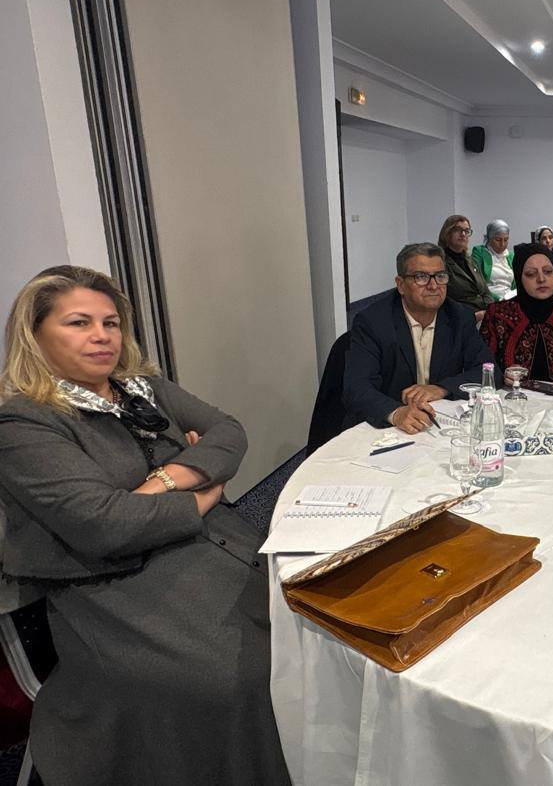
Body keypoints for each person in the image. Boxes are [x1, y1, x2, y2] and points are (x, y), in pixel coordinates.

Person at [0, 266, 290, 785]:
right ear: (34, 334)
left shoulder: (141, 387)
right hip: (115, 583)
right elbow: (104, 527)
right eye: (79, 323)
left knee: (317, 615)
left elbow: (229, 432)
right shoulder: (23, 422)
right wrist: (202, 492)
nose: (101, 336)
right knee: (240, 674)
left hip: (214, 544)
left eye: (111, 323)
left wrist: (164, 481)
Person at [343, 242, 494, 434]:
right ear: (401, 285)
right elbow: (356, 387)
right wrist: (396, 413)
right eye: (421, 277)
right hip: (387, 429)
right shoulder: (373, 322)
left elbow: (488, 371)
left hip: (440, 422)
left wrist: (441, 388)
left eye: (440, 276)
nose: (433, 286)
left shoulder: (460, 316)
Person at [480, 245, 553, 389]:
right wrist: (501, 376)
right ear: (519, 278)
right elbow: (481, 364)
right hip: (508, 397)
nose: (541, 279)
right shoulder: (498, 315)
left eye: (548, 272)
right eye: (531, 274)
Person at [439, 214, 493, 317]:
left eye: (467, 231)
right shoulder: (440, 263)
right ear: (447, 233)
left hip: (484, 314)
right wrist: (472, 316)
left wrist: (490, 309)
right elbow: (445, 300)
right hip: (460, 318)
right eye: (458, 230)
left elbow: (486, 292)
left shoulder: (471, 260)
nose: (463, 234)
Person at [471, 219, 514, 300]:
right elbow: (478, 282)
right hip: (489, 299)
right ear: (489, 238)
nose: (502, 244)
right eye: (498, 240)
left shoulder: (511, 256)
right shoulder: (479, 252)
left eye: (506, 240)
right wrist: (499, 299)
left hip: (510, 299)